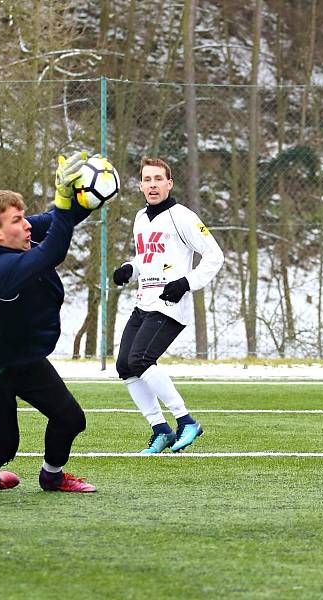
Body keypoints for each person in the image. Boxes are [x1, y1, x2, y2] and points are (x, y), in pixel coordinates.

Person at [0, 151, 98, 492]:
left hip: (26, 360)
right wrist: (64, 204)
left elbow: (62, 218)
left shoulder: (19, 237)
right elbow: (53, 251)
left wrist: (91, 193)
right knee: (5, 446)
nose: (27, 224)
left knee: (70, 419)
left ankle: (52, 476)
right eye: (18, 220)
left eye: (23, 217)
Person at [113, 157, 224, 454]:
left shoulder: (182, 216)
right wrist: (130, 269)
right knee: (125, 366)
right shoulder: (140, 217)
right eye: (147, 180)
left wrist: (185, 283)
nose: (153, 185)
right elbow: (146, 259)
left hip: (168, 304)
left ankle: (186, 421)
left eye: (158, 179)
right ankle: (160, 430)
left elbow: (215, 256)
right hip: (143, 302)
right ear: (140, 185)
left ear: (169, 183)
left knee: (140, 360)